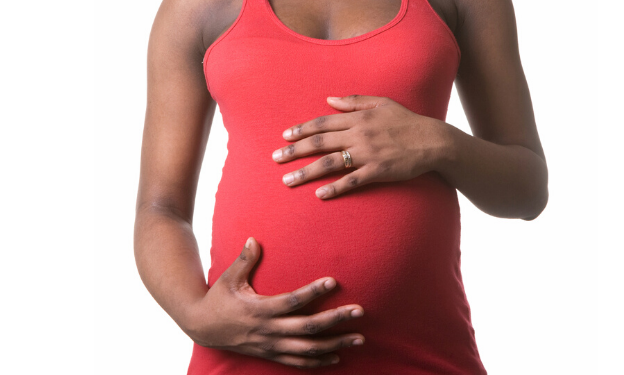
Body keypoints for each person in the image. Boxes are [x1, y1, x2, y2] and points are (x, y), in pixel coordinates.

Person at [134, 0, 547, 373]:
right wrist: (195, 316)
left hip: (420, 356)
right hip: (245, 357)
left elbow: (528, 189)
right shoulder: (195, 8)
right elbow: (160, 209)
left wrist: (440, 142)